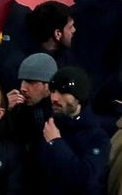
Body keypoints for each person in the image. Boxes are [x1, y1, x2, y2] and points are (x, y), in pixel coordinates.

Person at [37, 66, 110, 195]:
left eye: (62, 92)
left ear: (79, 97)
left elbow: (85, 178)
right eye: (53, 91)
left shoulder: (98, 136)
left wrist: (56, 143)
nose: (54, 98)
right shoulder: (49, 125)